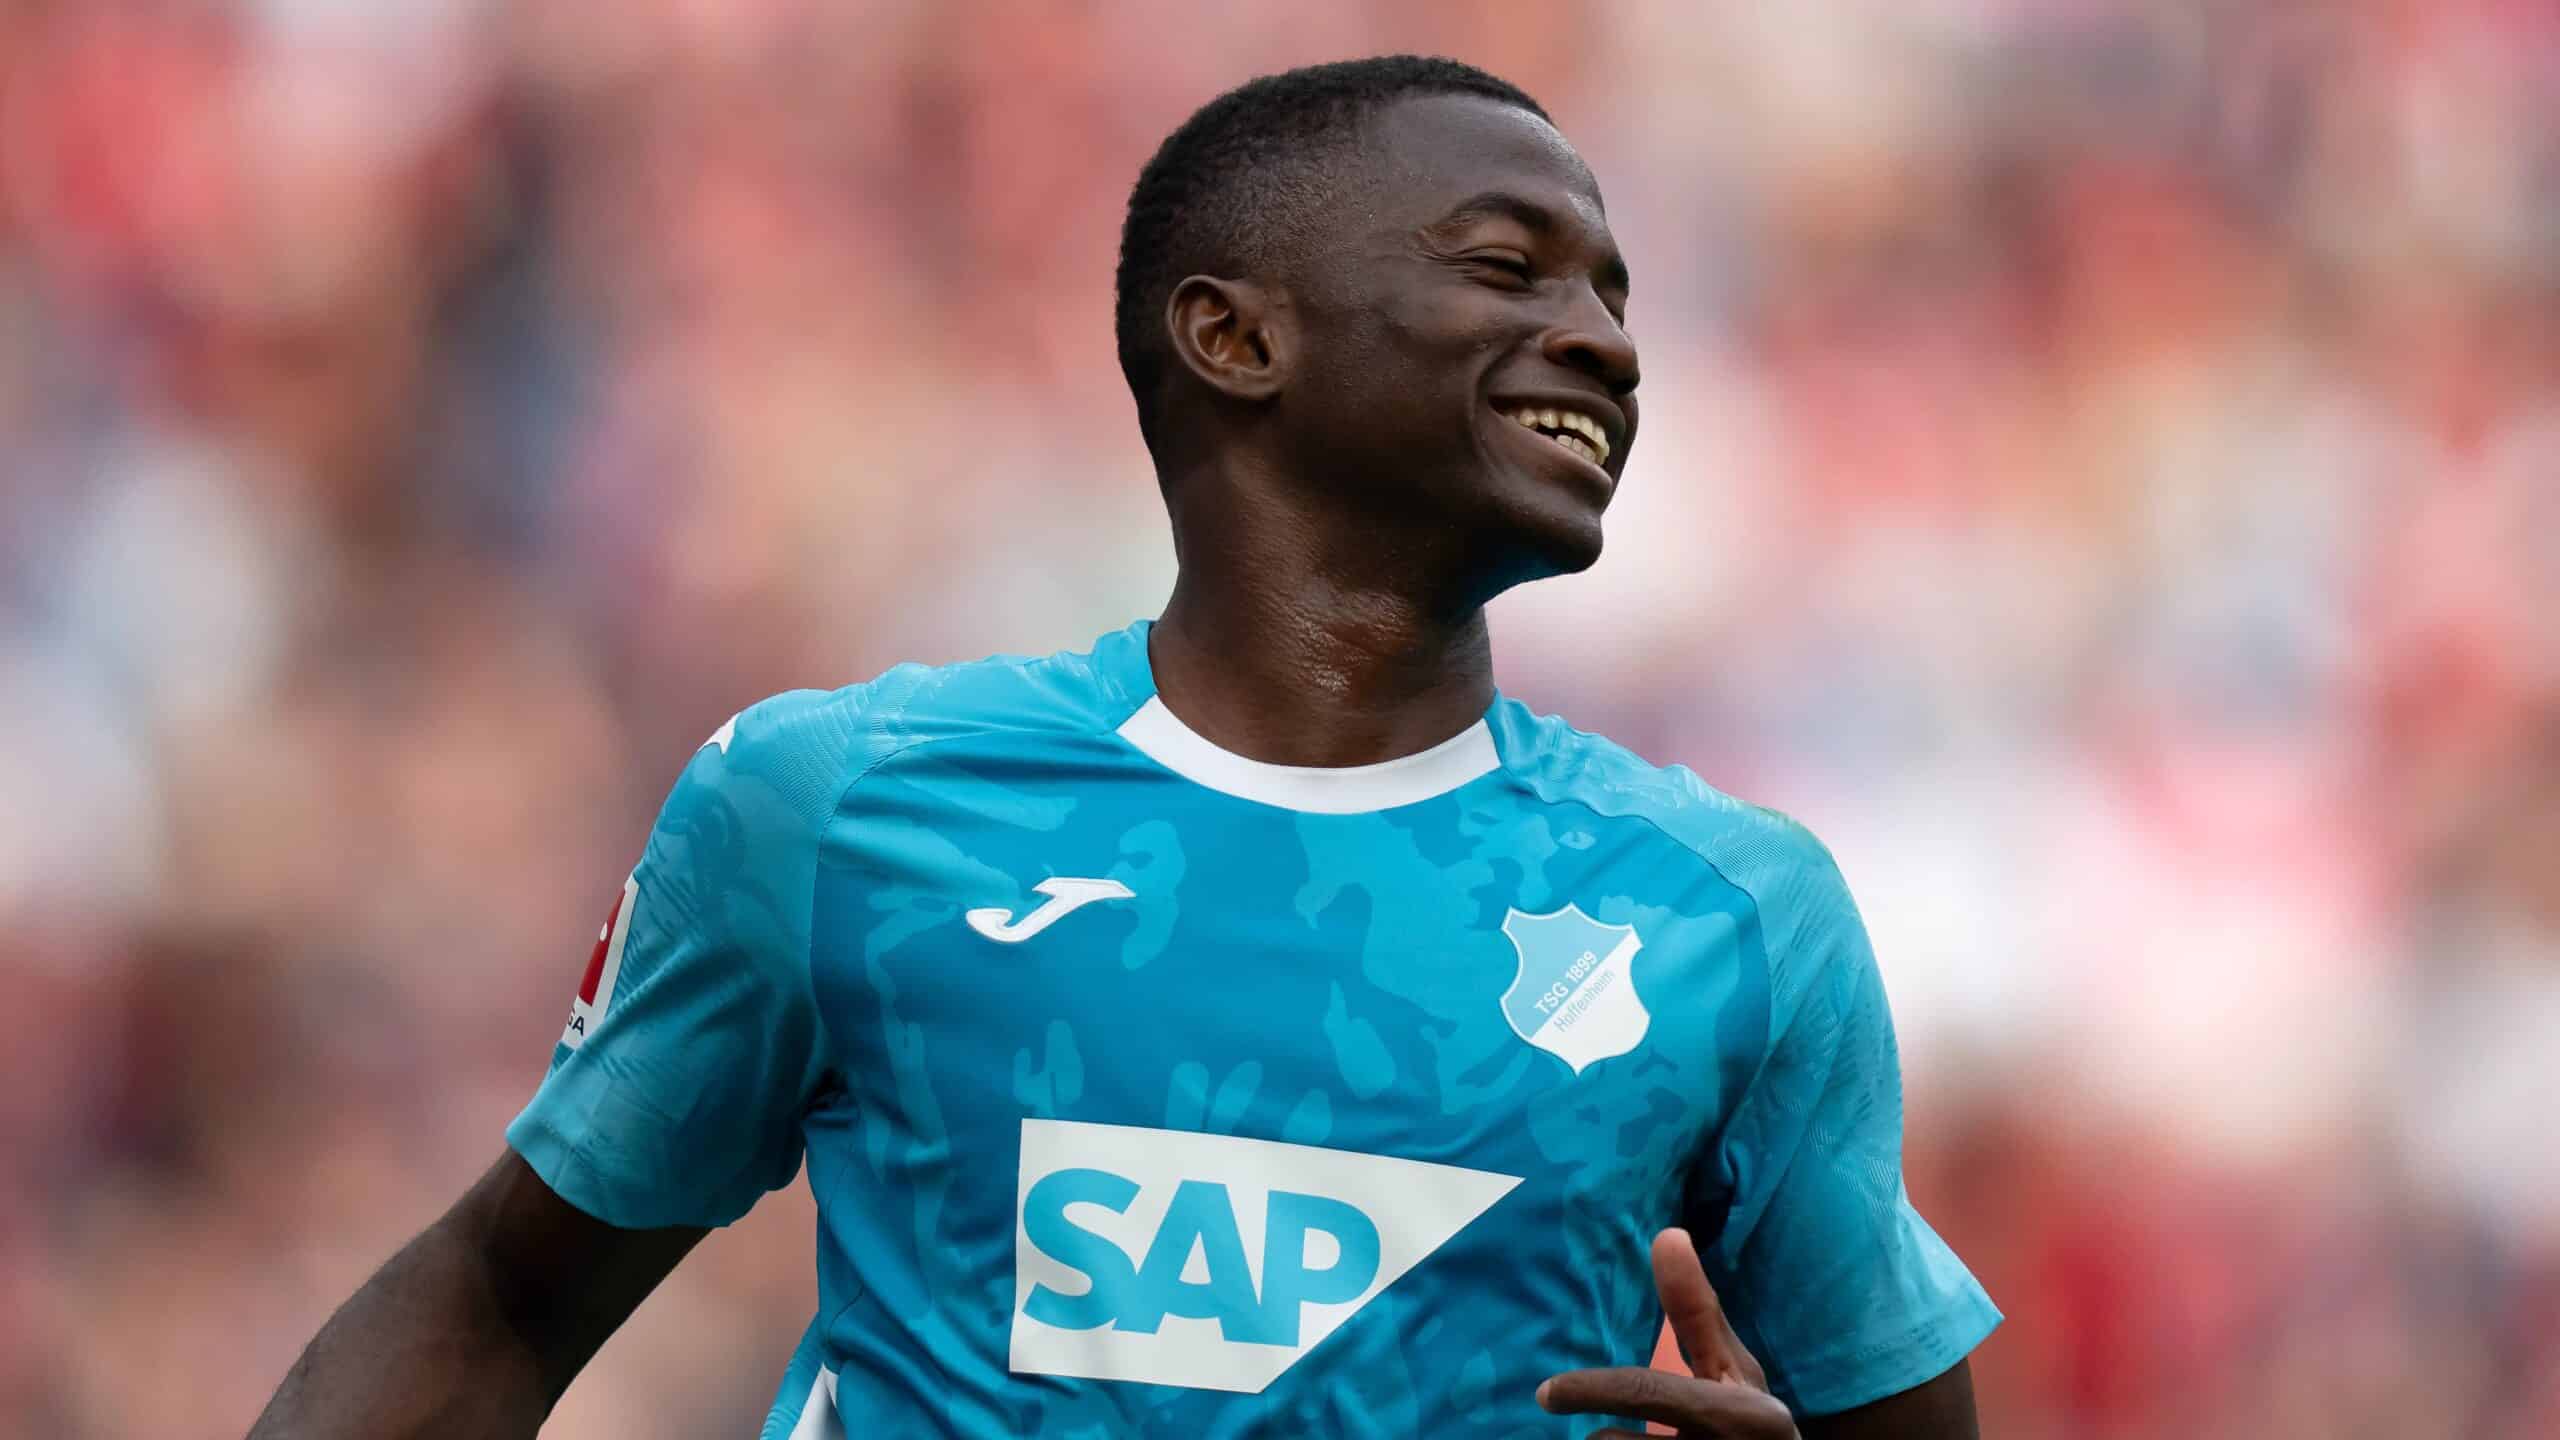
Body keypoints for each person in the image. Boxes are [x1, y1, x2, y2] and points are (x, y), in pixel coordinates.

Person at [250, 55, 1997, 1439]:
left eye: (1616, 293)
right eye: (1506, 267)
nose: (1606, 343)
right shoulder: (845, 811)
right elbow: (498, 1303)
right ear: (1235, 337)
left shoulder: (1733, 918)